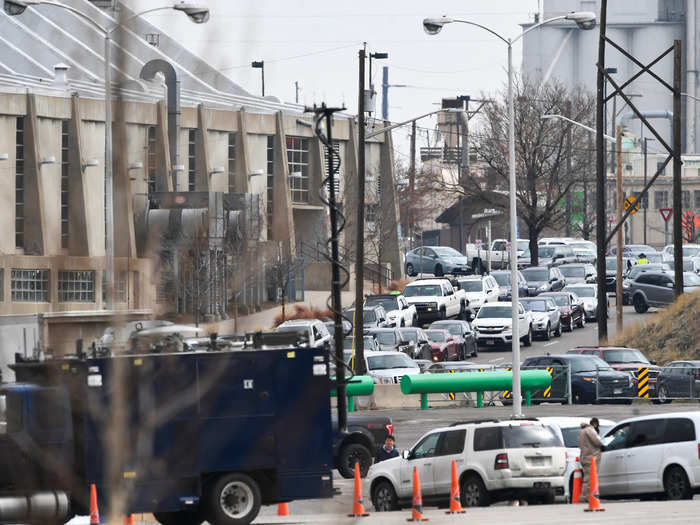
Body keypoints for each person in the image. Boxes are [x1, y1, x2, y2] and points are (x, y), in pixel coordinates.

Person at [578, 418, 603, 502]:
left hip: (585, 457)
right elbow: (598, 441)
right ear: (595, 424)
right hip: (590, 458)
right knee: (589, 479)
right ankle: (586, 497)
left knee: (587, 478)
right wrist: (603, 443)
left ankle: (586, 496)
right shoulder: (590, 430)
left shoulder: (583, 431)